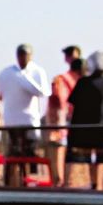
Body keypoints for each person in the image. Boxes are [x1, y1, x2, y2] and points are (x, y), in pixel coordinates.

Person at [67, 50, 103, 190]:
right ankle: (102, 183)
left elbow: (73, 101)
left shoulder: (83, 83)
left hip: (84, 129)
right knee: (102, 157)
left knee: (88, 157)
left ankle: (94, 183)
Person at [0, 43, 48, 187]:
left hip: (30, 121)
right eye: (20, 55)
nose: (22, 58)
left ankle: (31, 181)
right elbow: (2, 94)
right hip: (11, 121)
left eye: (25, 55)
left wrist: (24, 79)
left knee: (31, 152)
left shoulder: (37, 71)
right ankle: (10, 182)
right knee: (12, 153)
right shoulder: (6, 73)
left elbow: (43, 92)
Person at [44, 46, 83, 187]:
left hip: (66, 124)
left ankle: (62, 181)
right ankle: (62, 182)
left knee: (63, 155)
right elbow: (58, 102)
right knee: (62, 154)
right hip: (65, 124)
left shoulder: (62, 80)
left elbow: (58, 102)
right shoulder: (63, 80)